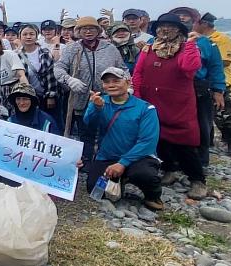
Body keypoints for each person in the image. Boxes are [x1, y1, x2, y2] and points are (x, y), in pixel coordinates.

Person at [132, 13, 205, 199]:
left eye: (170, 27)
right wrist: (138, 97)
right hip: (153, 101)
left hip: (178, 103)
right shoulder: (149, 49)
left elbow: (190, 68)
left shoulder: (186, 48)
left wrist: (190, 44)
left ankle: (197, 179)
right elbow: (138, 73)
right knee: (159, 138)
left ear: (179, 30)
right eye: (161, 26)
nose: (165, 30)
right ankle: (169, 170)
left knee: (185, 142)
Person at [84, 68, 163, 210]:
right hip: (107, 156)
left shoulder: (146, 108)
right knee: (93, 188)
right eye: (107, 82)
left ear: (128, 82)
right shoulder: (100, 102)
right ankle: (119, 180)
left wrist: (123, 163)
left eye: (116, 81)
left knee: (144, 175)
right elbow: (89, 125)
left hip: (138, 157)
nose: (111, 85)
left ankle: (153, 196)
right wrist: (96, 108)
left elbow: (147, 142)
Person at [55, 16, 126, 165]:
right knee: (85, 132)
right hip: (81, 98)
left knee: (107, 129)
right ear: (78, 31)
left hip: (108, 97)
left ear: (98, 30)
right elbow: (59, 68)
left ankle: (105, 161)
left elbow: (123, 69)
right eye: (84, 29)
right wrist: (69, 80)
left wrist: (127, 86)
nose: (88, 32)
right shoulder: (72, 48)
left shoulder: (110, 48)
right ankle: (86, 162)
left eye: (92, 28)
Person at [169, 6, 225, 167]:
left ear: (194, 21)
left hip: (198, 88)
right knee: (172, 123)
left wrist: (218, 90)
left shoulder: (206, 43)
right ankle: (171, 161)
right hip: (172, 87)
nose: (181, 18)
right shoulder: (159, 41)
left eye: (185, 16)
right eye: (177, 16)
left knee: (202, 124)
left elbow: (216, 67)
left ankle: (200, 161)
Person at [196, 13, 231, 155]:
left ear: (203, 24)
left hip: (223, 82)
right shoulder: (197, 39)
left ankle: (230, 144)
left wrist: (201, 61)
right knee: (207, 116)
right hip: (205, 84)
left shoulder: (220, 39)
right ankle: (209, 144)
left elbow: (225, 61)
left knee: (224, 115)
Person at [15, 25, 57, 113]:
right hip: (27, 97)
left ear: (37, 36)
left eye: (31, 34)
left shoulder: (45, 52)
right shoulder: (16, 55)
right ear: (20, 37)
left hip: (44, 95)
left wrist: (51, 96)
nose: (28, 37)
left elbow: (51, 75)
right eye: (25, 34)